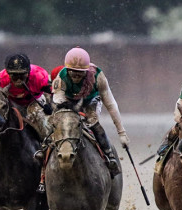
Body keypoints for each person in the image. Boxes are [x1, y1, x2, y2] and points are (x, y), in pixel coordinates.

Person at [47, 47, 128, 176]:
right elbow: (58, 101)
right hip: (67, 101)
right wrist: (66, 114)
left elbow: (111, 104)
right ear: (67, 70)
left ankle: (109, 155)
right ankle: (44, 151)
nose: (76, 76)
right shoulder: (60, 78)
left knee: (92, 122)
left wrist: (121, 133)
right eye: (72, 72)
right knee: (61, 123)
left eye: (80, 72)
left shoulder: (98, 76)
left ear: (87, 70)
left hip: (90, 100)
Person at [0, 53, 53, 142]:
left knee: (39, 117)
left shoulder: (40, 76)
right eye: (15, 76)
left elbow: (55, 93)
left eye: (22, 75)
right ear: (8, 73)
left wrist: (49, 105)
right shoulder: (0, 79)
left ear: (28, 72)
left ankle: (47, 142)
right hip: (11, 102)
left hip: (35, 100)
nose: (19, 80)